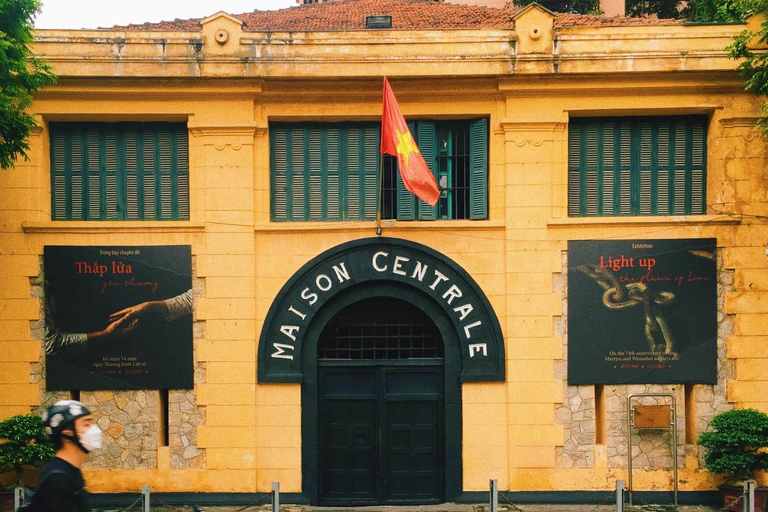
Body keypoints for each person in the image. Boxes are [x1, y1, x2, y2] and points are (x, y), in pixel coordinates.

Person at [33, 400, 102, 512]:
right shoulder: (56, 479)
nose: (94, 429)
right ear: (67, 432)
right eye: (86, 424)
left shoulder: (71, 470)